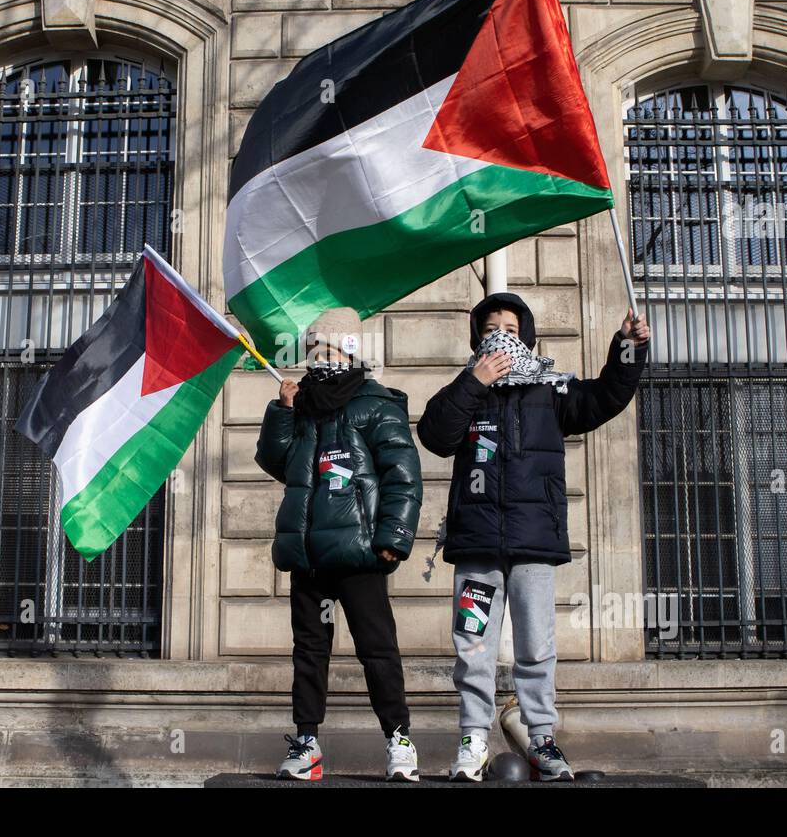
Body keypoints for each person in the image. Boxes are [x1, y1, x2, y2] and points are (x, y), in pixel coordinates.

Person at [417, 292, 650, 782]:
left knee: (536, 644)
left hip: (533, 545)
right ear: (477, 340)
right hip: (476, 545)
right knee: (473, 643)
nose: (501, 335)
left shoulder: (551, 391)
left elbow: (607, 395)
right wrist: (473, 382)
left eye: (510, 327)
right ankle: (473, 740)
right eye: (489, 330)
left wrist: (627, 348)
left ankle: (541, 738)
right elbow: (435, 434)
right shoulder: (467, 388)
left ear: (527, 334)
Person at [254, 307, 424, 782]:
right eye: (311, 351)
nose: (317, 359)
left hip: (361, 552)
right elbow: (278, 464)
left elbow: (403, 476)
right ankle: (306, 741)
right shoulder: (302, 406)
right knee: (309, 649)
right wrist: (281, 413)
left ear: (350, 350)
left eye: (325, 349)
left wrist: (394, 538)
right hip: (310, 556)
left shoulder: (376, 404)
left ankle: (399, 740)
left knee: (377, 648)